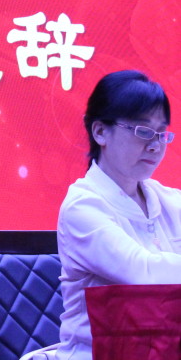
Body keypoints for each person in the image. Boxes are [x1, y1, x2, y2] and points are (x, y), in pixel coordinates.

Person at [52, 69, 181, 360]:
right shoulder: (82, 206)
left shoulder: (169, 200)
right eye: (143, 131)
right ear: (100, 132)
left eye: (161, 133)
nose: (155, 145)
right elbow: (144, 273)